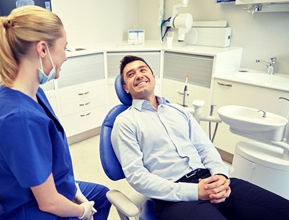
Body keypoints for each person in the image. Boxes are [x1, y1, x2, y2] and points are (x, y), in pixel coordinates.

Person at [111, 55, 289, 220]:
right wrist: (195, 191)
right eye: (131, 74)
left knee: (282, 209)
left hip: (210, 178)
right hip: (173, 197)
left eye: (143, 70)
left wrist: (220, 175)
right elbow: (137, 176)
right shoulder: (125, 122)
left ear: (153, 76)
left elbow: (205, 147)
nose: (139, 75)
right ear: (126, 87)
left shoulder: (179, 111)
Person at [0, 6, 111, 219]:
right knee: (95, 206)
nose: (65, 56)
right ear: (43, 49)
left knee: (101, 195)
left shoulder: (29, 93)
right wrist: (82, 211)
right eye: (64, 47)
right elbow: (48, 202)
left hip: (53, 187)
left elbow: (50, 161)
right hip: (34, 210)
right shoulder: (19, 118)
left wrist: (73, 190)